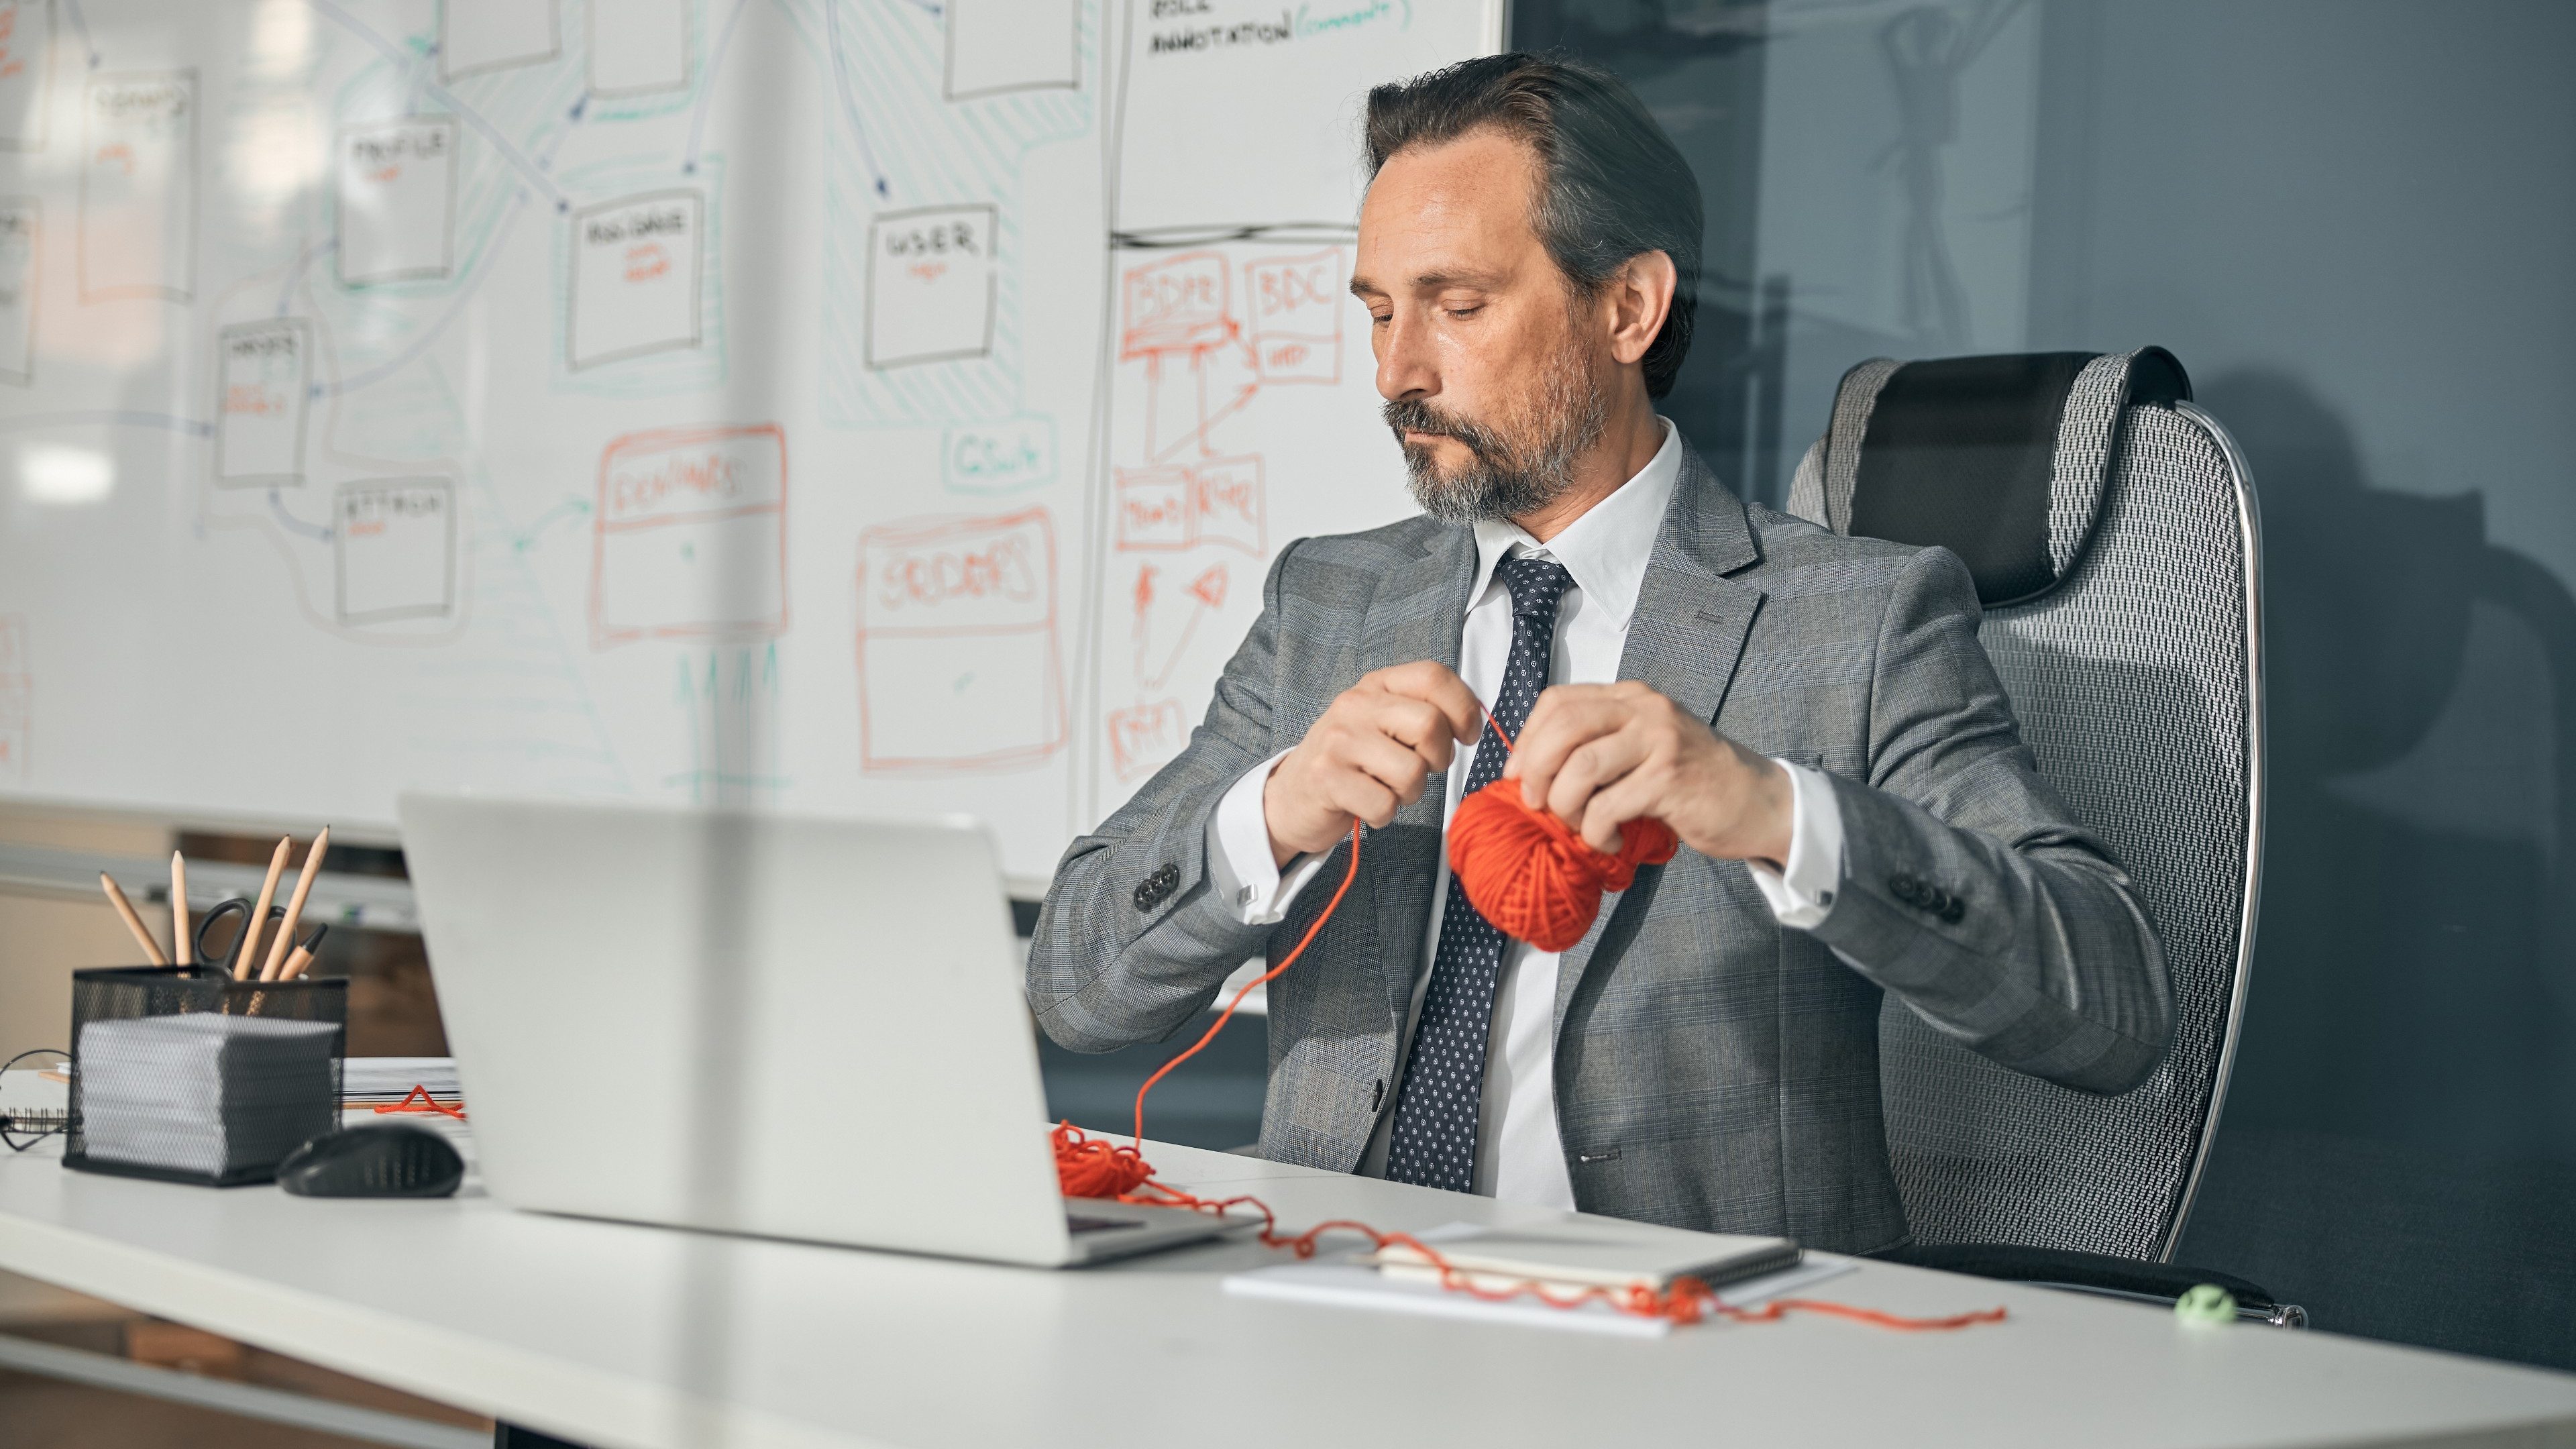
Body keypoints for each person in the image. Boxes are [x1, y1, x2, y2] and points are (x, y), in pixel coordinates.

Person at [1027, 53, 2169, 1253]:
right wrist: (1267, 813)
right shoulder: (1328, 600)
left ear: (1629, 307)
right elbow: (1075, 987)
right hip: (1328, 1318)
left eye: (1456, 308)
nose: (1395, 372)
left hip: (1688, 1358)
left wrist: (1780, 812)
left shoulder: (1860, 619)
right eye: (1377, 312)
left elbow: (2112, 1009)